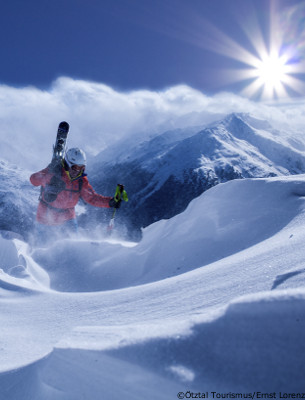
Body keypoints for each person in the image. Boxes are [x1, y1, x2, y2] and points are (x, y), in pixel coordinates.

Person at [30, 147, 119, 243]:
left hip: (68, 219)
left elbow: (91, 197)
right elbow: (33, 179)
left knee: (74, 247)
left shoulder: (81, 181)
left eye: (81, 168)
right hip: (46, 218)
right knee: (43, 248)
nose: (77, 171)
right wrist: (49, 178)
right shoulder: (54, 171)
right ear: (67, 164)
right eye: (75, 167)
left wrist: (110, 202)